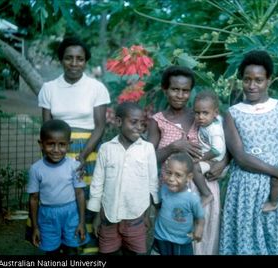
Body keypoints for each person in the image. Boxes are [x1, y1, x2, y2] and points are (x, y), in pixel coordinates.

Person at [219, 50, 278, 255]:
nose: (252, 85)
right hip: (246, 188)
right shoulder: (233, 113)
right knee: (248, 244)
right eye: (247, 79)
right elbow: (241, 158)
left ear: (269, 80)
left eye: (259, 80)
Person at [37, 36, 110, 254]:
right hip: (57, 149)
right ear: (61, 60)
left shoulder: (96, 88)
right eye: (69, 58)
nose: (74, 63)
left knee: (86, 196)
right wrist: (57, 154)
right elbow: (46, 126)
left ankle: (86, 247)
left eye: (80, 59)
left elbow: (100, 127)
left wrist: (82, 156)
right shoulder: (49, 88)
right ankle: (57, 243)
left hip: (88, 150)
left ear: (86, 61)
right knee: (58, 196)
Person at [148, 66, 227, 255]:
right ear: (165, 89)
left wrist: (222, 163)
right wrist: (173, 147)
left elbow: (224, 143)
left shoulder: (201, 115)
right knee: (175, 241)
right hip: (173, 191)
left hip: (203, 188)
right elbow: (148, 158)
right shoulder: (157, 121)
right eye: (175, 89)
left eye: (185, 91)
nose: (180, 95)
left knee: (203, 239)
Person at [87, 102, 159, 255]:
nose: (139, 127)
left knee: (135, 251)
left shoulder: (147, 149)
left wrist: (147, 214)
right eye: (133, 122)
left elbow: (152, 183)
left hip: (136, 215)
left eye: (142, 123)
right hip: (108, 216)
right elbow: (98, 183)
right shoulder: (106, 149)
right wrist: (96, 216)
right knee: (107, 251)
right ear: (119, 122)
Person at [27, 119, 89, 254]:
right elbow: (33, 199)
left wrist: (81, 222)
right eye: (50, 144)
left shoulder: (74, 166)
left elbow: (80, 194)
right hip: (47, 215)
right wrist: (35, 227)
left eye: (62, 145)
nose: (56, 150)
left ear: (69, 145)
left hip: (71, 214)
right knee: (51, 251)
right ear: (41, 144)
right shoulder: (36, 169)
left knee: (72, 250)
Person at [153, 152, 205, 255]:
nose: (171, 179)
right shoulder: (164, 189)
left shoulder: (192, 199)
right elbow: (158, 206)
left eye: (178, 175)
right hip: (161, 236)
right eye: (169, 173)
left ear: (189, 177)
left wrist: (199, 229)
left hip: (181, 241)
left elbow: (200, 218)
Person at [192, 90, 226, 206]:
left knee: (194, 168)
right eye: (197, 113)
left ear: (215, 113)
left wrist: (200, 158)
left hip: (215, 161)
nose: (200, 117)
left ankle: (207, 194)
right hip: (210, 159)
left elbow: (217, 150)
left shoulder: (214, 130)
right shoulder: (210, 122)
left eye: (205, 113)